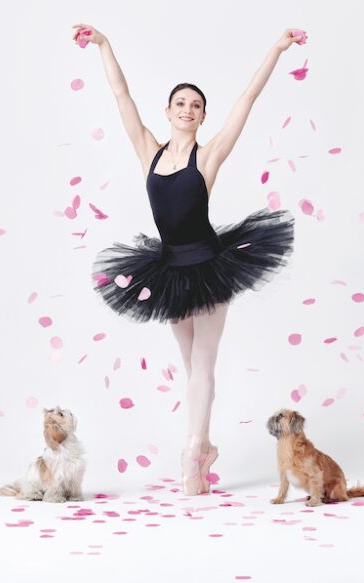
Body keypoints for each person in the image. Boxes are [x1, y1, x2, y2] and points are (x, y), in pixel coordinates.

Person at [74, 23, 301, 495]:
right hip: (169, 268)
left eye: (196, 105)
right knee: (191, 364)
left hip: (209, 265)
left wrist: (276, 48)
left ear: (201, 117)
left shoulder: (209, 155)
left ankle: (193, 450)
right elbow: (122, 98)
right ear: (169, 111)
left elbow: (247, 101)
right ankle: (205, 447)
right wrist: (104, 44)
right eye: (181, 103)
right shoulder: (148, 152)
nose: (187, 109)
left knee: (204, 359)